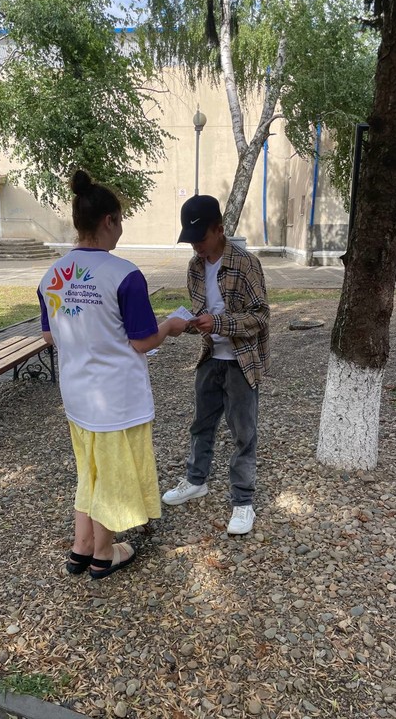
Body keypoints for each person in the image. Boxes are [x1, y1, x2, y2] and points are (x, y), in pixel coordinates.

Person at [38, 170, 188, 579]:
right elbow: (143, 341)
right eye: (120, 221)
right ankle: (104, 554)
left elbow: (50, 336)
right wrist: (172, 326)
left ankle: (81, 547)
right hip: (117, 398)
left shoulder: (52, 275)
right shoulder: (125, 275)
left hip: (77, 394)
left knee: (88, 470)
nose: (121, 230)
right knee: (111, 474)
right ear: (109, 221)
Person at [162, 194, 270, 535]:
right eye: (190, 240)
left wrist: (219, 323)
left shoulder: (246, 263)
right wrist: (185, 323)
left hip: (241, 361)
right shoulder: (195, 266)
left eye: (201, 238)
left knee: (243, 433)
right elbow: (201, 313)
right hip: (210, 358)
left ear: (220, 229)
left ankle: (243, 501)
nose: (196, 246)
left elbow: (261, 317)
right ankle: (196, 481)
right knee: (201, 425)